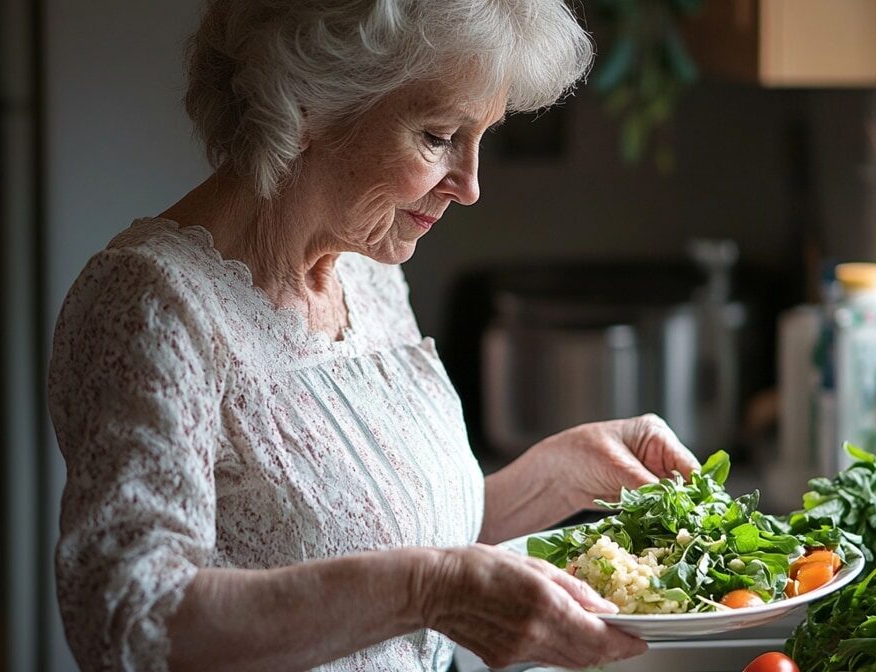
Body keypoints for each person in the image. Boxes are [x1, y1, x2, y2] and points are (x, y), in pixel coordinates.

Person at [48, 1, 701, 670]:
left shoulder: (365, 272)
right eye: (440, 135)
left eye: (483, 136)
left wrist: (558, 476)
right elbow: (127, 621)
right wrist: (431, 591)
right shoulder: (153, 305)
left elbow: (381, 534)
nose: (471, 186)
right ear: (308, 106)